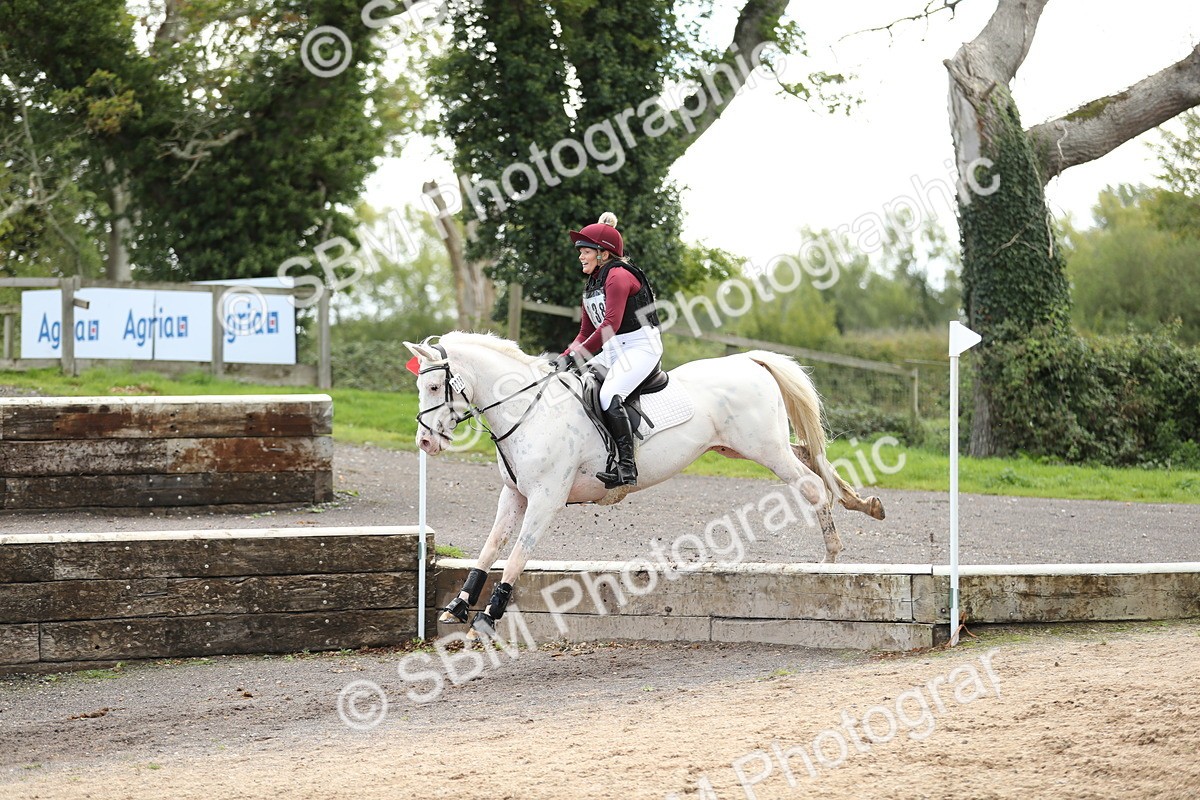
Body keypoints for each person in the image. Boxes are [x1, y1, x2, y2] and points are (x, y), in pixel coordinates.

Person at [552, 212, 663, 488]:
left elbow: (610, 324)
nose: (581, 256)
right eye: (581, 251)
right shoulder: (592, 284)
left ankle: (627, 467)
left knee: (609, 395)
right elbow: (585, 333)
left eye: (586, 251)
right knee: (574, 385)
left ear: (603, 253)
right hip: (614, 347)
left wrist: (577, 356)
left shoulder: (618, 276)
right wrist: (564, 358)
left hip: (641, 346)